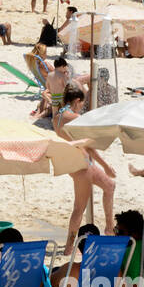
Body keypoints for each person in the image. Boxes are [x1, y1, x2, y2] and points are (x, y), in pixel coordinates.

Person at [55, 83, 115, 253]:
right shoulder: (74, 118)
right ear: (76, 100)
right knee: (79, 208)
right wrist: (105, 165)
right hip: (82, 164)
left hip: (72, 163)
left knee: (109, 186)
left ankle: (108, 228)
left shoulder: (57, 117)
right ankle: (70, 246)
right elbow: (88, 146)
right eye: (82, 103)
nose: (82, 106)